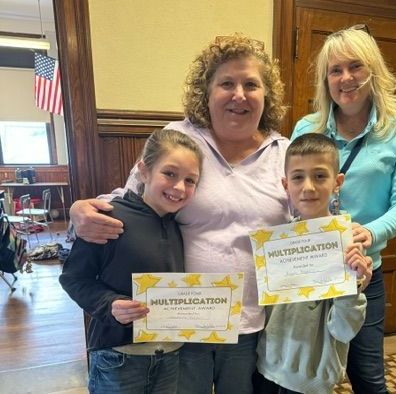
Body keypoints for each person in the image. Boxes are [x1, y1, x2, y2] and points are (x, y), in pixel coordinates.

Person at [68, 34, 290, 394]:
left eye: (251, 84)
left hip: (252, 321)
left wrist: (345, 250)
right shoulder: (179, 138)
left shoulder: (285, 152)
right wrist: (80, 209)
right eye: (226, 83)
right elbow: (133, 197)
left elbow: (309, 222)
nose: (239, 94)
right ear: (207, 91)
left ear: (267, 95)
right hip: (182, 323)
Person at [291, 25, 396, 393]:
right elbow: (292, 193)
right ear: (326, 80)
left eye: (355, 67)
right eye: (335, 71)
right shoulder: (307, 127)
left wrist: (371, 232)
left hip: (362, 273)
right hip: (309, 267)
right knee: (300, 368)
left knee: (366, 375)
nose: (345, 78)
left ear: (373, 71)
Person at [59, 129, 203, 394]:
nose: (179, 187)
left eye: (190, 180)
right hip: (118, 356)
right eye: (169, 173)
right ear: (144, 171)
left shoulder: (183, 225)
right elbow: (73, 278)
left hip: (170, 356)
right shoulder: (108, 218)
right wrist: (109, 304)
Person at [256, 133, 369, 394]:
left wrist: (352, 288)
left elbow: (344, 329)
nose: (308, 187)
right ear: (286, 185)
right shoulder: (277, 241)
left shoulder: (349, 243)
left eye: (319, 176)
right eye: (298, 177)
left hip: (311, 379)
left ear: (337, 182)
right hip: (266, 367)